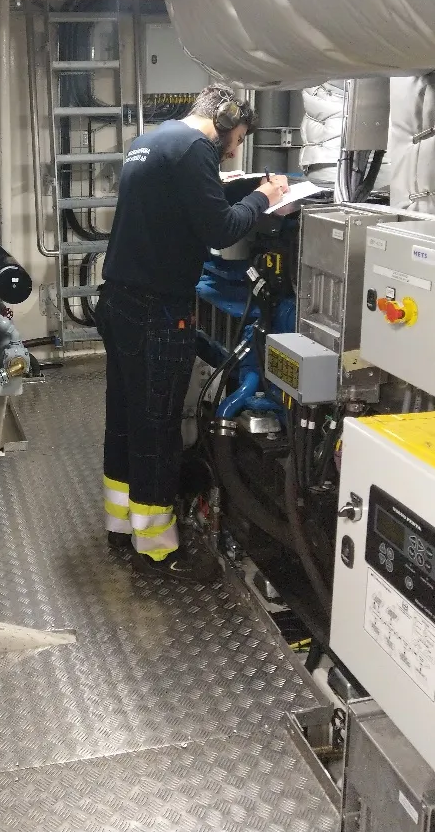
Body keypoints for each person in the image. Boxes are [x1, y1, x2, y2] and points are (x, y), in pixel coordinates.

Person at [95, 84, 288, 581]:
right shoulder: (196, 149)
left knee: (127, 418)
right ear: (224, 120)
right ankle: (158, 550)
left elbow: (186, 204)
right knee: (158, 427)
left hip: (119, 302)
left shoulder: (155, 141)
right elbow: (221, 230)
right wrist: (265, 197)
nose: (234, 151)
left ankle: (121, 525)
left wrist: (242, 188)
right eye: (237, 139)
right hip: (156, 311)